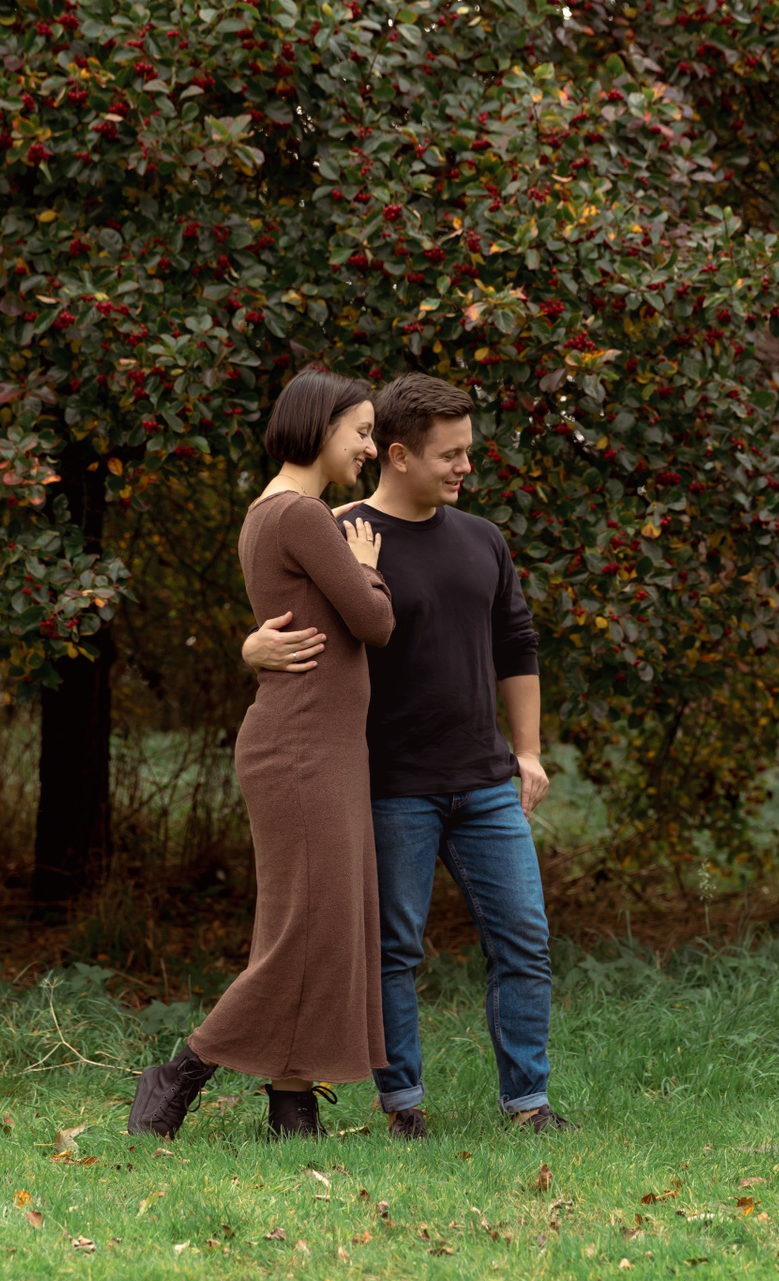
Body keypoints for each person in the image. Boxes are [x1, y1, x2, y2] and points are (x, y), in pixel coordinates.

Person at [245, 372, 569, 1137]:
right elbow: (291, 626)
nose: (465, 466)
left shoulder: (483, 538)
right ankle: (403, 1105)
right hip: (390, 784)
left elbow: (516, 642)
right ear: (399, 454)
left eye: (467, 451)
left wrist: (527, 751)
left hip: (485, 780)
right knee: (392, 952)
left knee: (525, 941)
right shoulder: (338, 527)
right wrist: (250, 647)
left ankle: (528, 1102)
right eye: (450, 454)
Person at [129, 370, 394, 1140]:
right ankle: (180, 1072)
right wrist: (367, 561)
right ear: (320, 426)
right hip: (304, 749)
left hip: (313, 745)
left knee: (314, 924)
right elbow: (374, 622)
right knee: (306, 929)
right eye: (361, 431)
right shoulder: (303, 515)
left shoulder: (268, 512)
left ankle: (291, 1105)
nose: (370, 447)